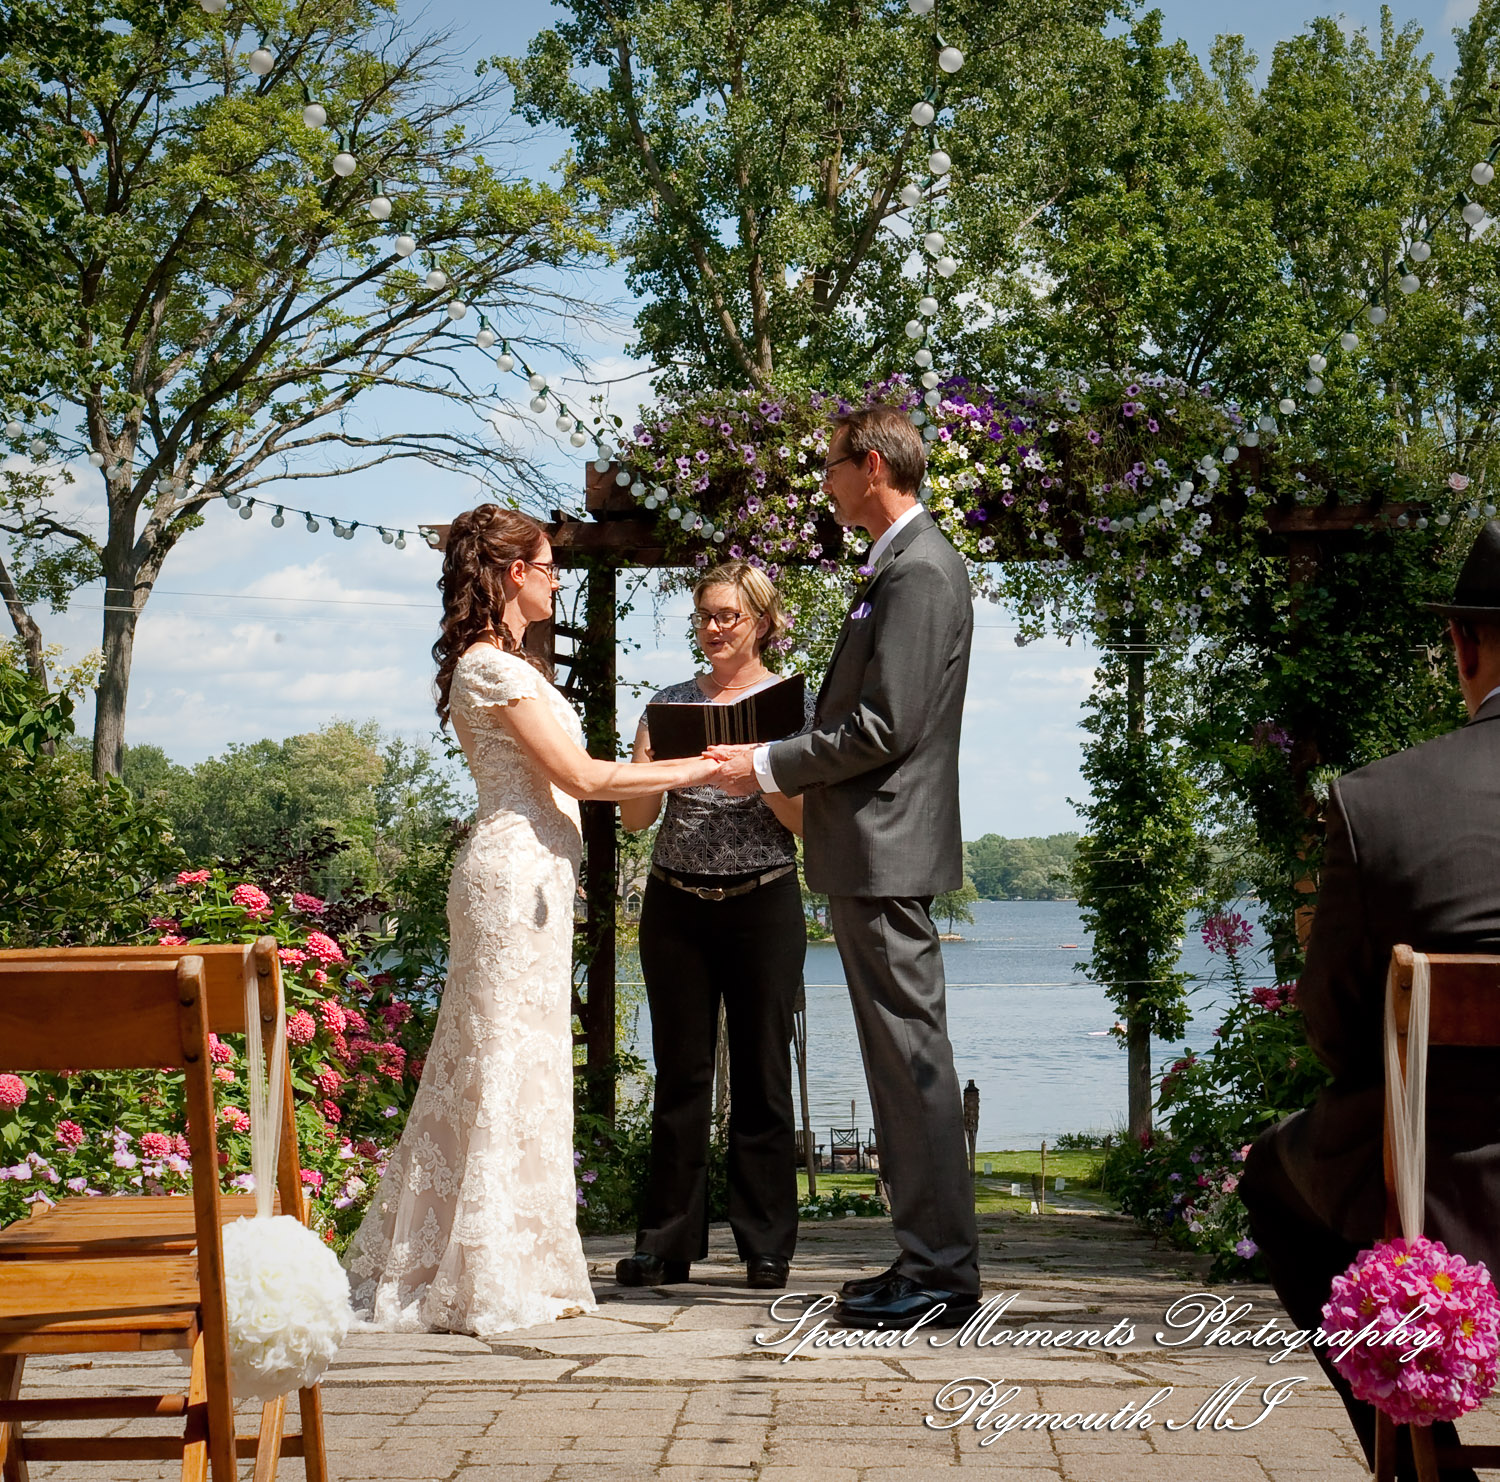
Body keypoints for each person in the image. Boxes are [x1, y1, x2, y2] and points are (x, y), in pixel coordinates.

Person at [346, 505, 717, 1337]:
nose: (556, 581)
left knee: (524, 1062)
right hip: (510, 884)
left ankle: (517, 1254)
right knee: (500, 1062)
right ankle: (482, 1266)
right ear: (516, 573)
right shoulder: (492, 669)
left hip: (536, 887)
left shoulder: (511, 665)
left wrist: (662, 764)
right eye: (550, 567)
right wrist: (706, 765)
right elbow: (581, 776)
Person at [707, 404, 981, 1330]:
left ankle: (940, 1272)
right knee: (900, 1061)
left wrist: (771, 764)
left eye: (830, 466)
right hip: (872, 849)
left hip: (885, 848)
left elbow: (885, 725)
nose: (822, 482)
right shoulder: (897, 565)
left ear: (872, 466)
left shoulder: (920, 568)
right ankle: (923, 1259)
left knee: (911, 1062)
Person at [1240, 519, 1500, 1482]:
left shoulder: (1383, 802)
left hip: (1443, 1195)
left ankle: (1431, 1458)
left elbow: (1338, 1027)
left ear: (1463, 646)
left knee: (1279, 1177)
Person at [616, 561, 815, 1292]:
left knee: (764, 1074)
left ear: (761, 621)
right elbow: (638, 820)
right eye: (703, 615)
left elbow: (806, 822)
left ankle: (766, 1246)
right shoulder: (667, 702)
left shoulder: (795, 706)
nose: (713, 629)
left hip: (763, 902)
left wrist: (757, 771)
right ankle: (665, 1244)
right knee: (682, 1076)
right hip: (676, 905)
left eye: (728, 615)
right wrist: (651, 764)